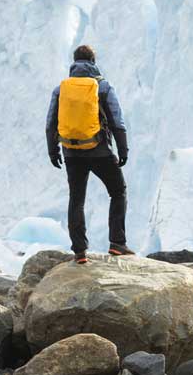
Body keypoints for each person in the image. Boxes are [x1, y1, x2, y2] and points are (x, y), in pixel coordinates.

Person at [45, 45, 134, 264]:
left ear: (74, 63)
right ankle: (117, 243)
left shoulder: (61, 89)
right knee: (118, 192)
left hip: (71, 152)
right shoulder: (102, 87)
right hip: (99, 150)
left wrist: (52, 150)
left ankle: (79, 251)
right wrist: (122, 149)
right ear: (93, 62)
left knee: (76, 199)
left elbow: (51, 123)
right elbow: (116, 119)